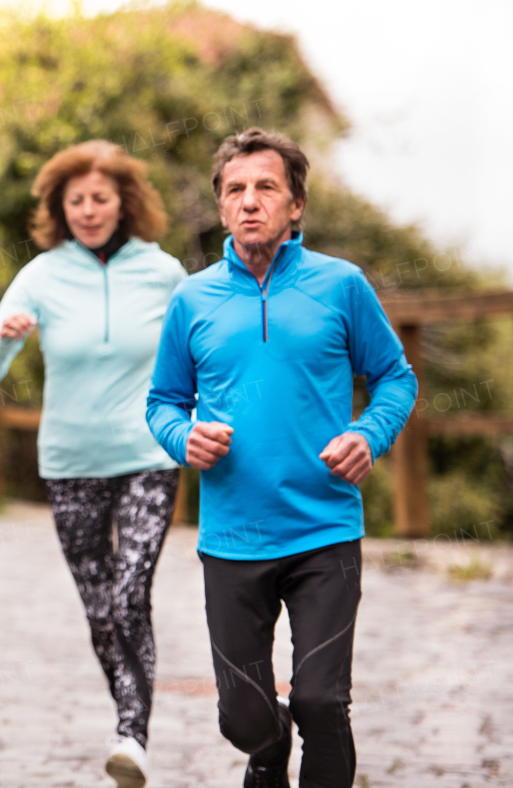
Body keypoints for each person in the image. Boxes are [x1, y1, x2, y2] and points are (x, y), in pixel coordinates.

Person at [147, 128, 417, 787]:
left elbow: (395, 377)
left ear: (295, 205)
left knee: (323, 702)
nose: (249, 201)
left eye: (266, 187)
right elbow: (162, 400)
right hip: (232, 538)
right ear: (219, 207)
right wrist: (182, 436)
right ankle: (268, 753)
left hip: (324, 530)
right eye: (235, 189)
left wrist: (369, 434)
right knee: (244, 718)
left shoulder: (341, 285)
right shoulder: (192, 299)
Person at [0, 140, 187, 787]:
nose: (89, 210)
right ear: (60, 209)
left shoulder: (164, 271)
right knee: (100, 611)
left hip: (149, 453)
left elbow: (200, 354)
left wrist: (201, 416)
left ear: (125, 203)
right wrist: (4, 342)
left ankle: (132, 733)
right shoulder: (41, 274)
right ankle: (129, 715)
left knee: (129, 594)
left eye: (100, 198)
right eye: (76, 201)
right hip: (70, 463)